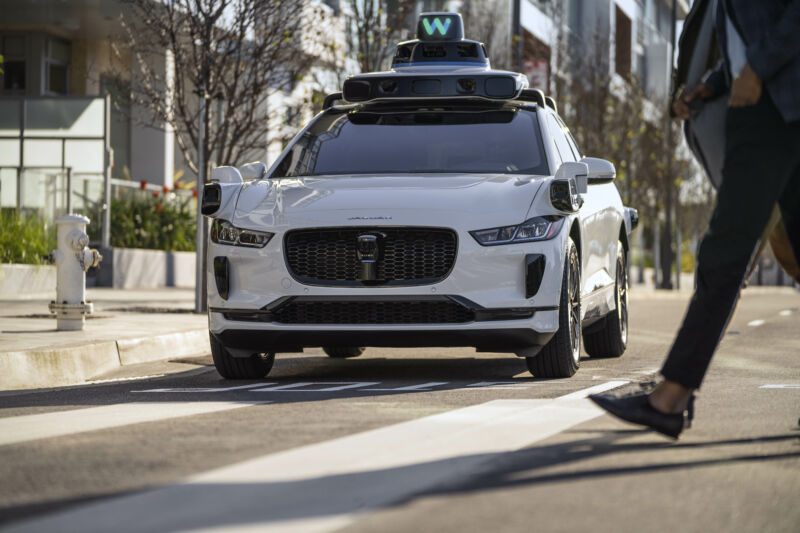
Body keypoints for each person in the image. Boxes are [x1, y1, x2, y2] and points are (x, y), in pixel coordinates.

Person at [590, 0, 800, 439]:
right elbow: (749, 36)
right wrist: (712, 84)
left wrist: (756, 70)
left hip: (771, 110)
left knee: (726, 251)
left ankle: (671, 396)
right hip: (771, 102)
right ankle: (672, 394)